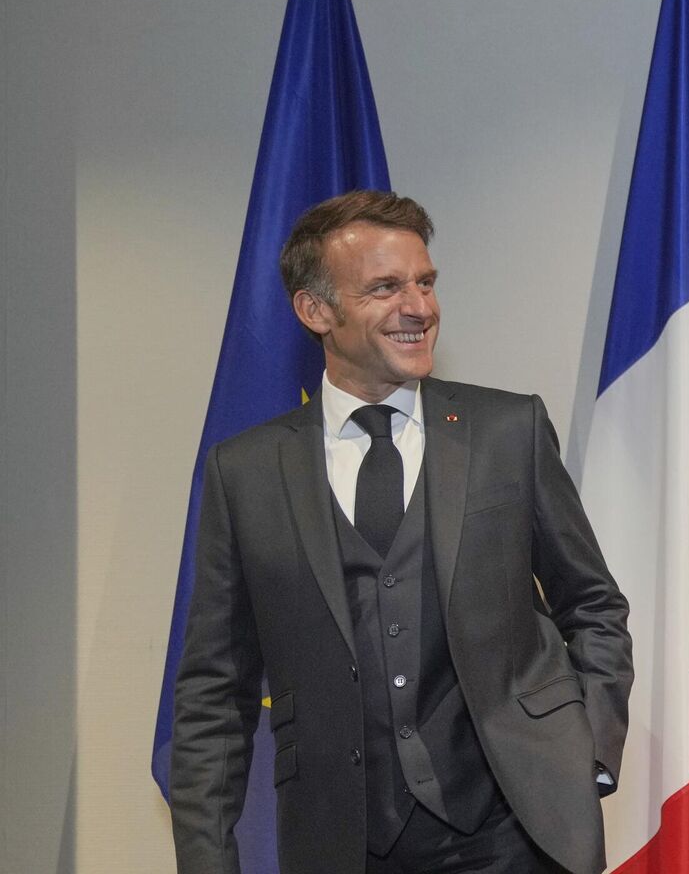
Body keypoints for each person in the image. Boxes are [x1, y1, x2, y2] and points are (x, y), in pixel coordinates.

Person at [170, 191, 633, 874]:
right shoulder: (245, 473)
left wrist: (581, 753)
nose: (419, 307)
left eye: (425, 282)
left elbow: (592, 604)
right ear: (315, 310)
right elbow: (215, 690)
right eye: (385, 288)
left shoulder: (509, 432)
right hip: (341, 843)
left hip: (516, 834)